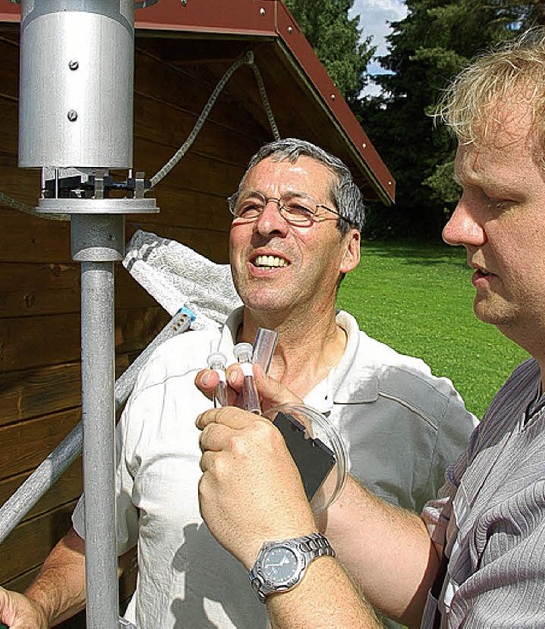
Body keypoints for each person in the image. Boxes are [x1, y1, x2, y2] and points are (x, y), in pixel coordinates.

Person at [194, 27, 545, 628]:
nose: (456, 228)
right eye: (463, 194)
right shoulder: (539, 381)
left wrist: (283, 545)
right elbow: (444, 575)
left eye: (497, 200)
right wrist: (314, 477)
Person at [0, 138, 476, 629]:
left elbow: (476, 579)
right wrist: (36, 608)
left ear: (349, 248)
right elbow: (94, 544)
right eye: (250, 206)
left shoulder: (420, 408)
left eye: (299, 210)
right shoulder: (167, 372)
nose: (267, 225)